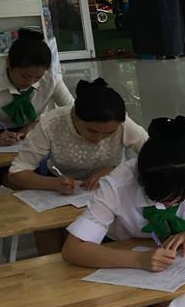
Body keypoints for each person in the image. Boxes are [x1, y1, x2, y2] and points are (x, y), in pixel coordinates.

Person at [62, 115, 185, 272]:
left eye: (177, 199)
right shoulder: (117, 183)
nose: (168, 205)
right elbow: (73, 249)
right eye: (161, 199)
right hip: (123, 252)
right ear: (141, 179)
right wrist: (139, 260)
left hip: (182, 251)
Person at [8, 78, 148, 255]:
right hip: (63, 190)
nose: (98, 138)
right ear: (75, 115)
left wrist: (114, 171)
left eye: (109, 133)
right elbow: (17, 172)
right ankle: (55, 269)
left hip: (108, 188)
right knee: (47, 228)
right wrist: (54, 183)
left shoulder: (123, 124)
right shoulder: (51, 123)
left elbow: (157, 156)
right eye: (92, 130)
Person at [0, 29, 72, 187]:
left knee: (59, 176)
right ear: (9, 63)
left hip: (38, 137)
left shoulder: (51, 80)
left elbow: (74, 114)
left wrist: (34, 125)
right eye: (25, 76)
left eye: (37, 77)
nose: (30, 82)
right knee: (21, 180)